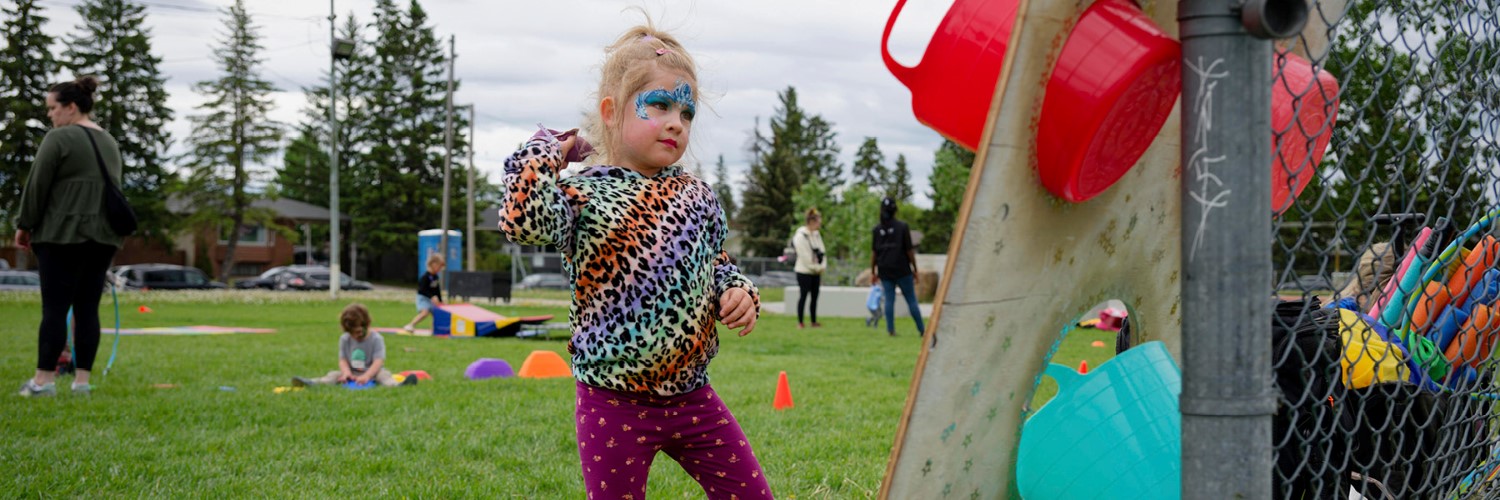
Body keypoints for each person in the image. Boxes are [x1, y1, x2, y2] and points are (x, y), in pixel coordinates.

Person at [498, 19, 771, 499]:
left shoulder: (698, 197)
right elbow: (523, 220)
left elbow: (717, 264)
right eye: (660, 105)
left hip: (694, 398)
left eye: (686, 112)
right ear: (611, 112)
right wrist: (547, 151)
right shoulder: (582, 194)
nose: (676, 122)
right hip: (612, 405)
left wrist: (736, 290)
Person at [14, 76, 124, 397]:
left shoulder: (58, 138)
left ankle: (43, 381)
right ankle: (82, 383)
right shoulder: (108, 141)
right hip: (102, 237)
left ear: (71, 107)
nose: (50, 115)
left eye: (52, 108)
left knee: (55, 308)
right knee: (88, 309)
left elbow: (37, 186)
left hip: (60, 234)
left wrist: (25, 224)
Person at [293, 303, 415, 388]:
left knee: (384, 376)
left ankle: (397, 385)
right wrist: (346, 373)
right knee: (333, 375)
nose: (355, 336)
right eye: (351, 333)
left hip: (373, 372)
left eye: (358, 332)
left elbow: (378, 362)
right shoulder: (345, 339)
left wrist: (367, 376)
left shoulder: (376, 339)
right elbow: (343, 360)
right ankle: (313, 382)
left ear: (367, 324)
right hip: (352, 372)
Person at [872, 197, 927, 337]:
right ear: (895, 210)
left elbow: (874, 253)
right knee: (911, 299)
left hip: (885, 269)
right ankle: (922, 329)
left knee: (889, 300)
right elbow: (909, 250)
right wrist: (915, 269)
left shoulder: (877, 229)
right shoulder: (902, 227)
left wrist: (873, 271)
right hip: (902, 268)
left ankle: (890, 330)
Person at [792, 207, 827, 328]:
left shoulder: (816, 235)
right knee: (803, 296)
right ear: (811, 221)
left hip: (816, 272)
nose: (819, 224)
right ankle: (800, 322)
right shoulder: (800, 236)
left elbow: (822, 251)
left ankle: (813, 321)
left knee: (814, 297)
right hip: (804, 271)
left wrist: (822, 266)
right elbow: (804, 256)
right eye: (818, 222)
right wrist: (816, 267)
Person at [402, 253, 445, 333]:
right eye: (439, 267)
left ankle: (434, 330)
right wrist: (432, 296)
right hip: (423, 298)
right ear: (433, 264)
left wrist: (440, 300)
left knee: (436, 314)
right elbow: (422, 290)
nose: (440, 269)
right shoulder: (425, 277)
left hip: (432, 299)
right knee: (425, 312)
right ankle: (410, 325)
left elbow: (437, 290)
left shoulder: (436, 277)